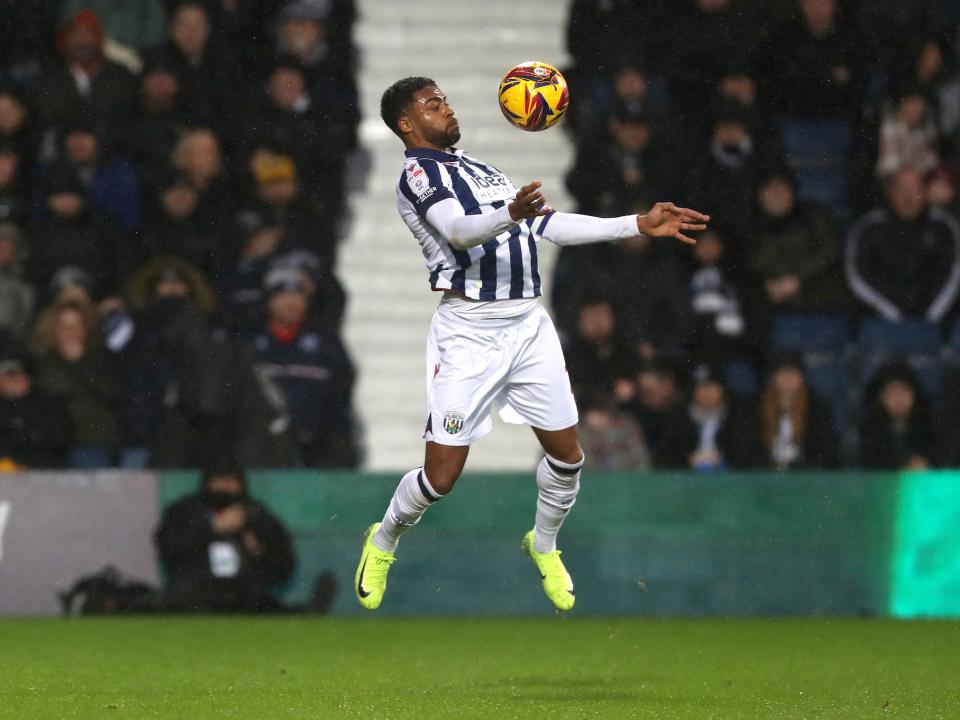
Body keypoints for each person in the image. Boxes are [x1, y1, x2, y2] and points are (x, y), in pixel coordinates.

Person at [354, 77, 708, 612]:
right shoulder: (417, 176)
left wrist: (635, 223)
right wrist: (509, 214)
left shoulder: (478, 168)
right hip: (469, 332)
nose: (446, 108)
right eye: (432, 104)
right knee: (442, 477)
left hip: (528, 325)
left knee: (568, 456)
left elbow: (547, 225)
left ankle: (543, 544)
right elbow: (459, 231)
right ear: (407, 123)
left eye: (445, 98)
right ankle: (383, 540)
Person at [154, 467, 297, 613]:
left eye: (232, 480)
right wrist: (212, 529)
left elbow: (283, 566)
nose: (226, 485)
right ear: (207, 482)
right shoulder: (185, 511)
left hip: (248, 601)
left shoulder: (257, 515)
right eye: (220, 479)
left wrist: (259, 550)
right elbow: (168, 548)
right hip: (194, 599)